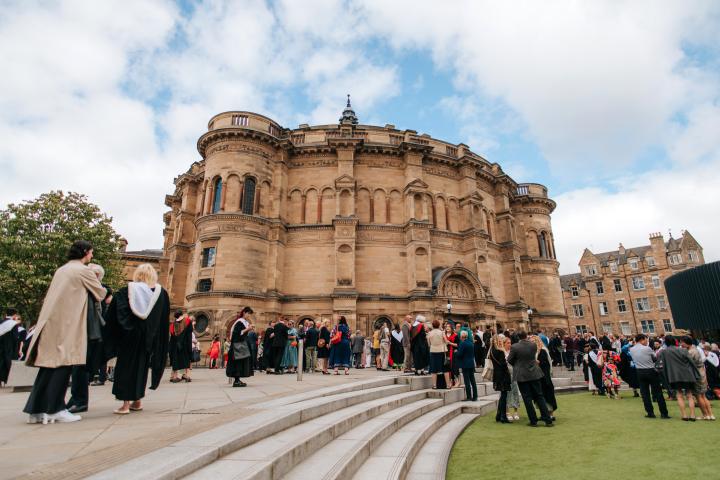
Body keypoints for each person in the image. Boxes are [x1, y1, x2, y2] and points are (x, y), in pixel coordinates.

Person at [23, 240, 107, 424]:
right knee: (63, 365)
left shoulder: (62, 270)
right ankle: (55, 409)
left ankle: (36, 410)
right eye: (91, 252)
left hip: (51, 322)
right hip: (68, 323)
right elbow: (100, 293)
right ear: (85, 252)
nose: (91, 256)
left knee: (47, 367)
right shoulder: (83, 270)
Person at [104, 263, 170, 415]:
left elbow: (116, 314)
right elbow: (162, 320)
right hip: (148, 339)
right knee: (141, 368)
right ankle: (137, 400)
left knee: (126, 368)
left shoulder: (127, 290)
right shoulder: (161, 294)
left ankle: (125, 404)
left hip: (130, 338)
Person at [66, 263, 107, 413]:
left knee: (81, 368)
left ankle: (80, 401)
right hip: (87, 333)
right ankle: (76, 400)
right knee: (79, 369)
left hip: (91, 334)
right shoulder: (92, 290)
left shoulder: (98, 291)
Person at [507, 331, 553, 427]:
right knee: (539, 396)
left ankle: (533, 421)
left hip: (522, 375)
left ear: (518, 337)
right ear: (526, 336)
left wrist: (518, 365)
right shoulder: (533, 345)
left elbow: (510, 360)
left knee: (527, 398)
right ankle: (548, 420)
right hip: (534, 373)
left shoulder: (515, 347)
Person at [658, 335, 701, 421]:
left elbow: (663, 366)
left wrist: (666, 377)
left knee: (679, 395)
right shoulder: (683, 350)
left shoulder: (663, 352)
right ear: (675, 341)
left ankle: (684, 415)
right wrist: (697, 374)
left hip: (674, 376)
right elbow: (691, 362)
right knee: (689, 395)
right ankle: (692, 415)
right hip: (687, 375)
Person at [630, 334, 669, 419]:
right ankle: (664, 413)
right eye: (646, 340)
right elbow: (655, 358)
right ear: (642, 339)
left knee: (645, 393)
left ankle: (650, 412)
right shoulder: (647, 348)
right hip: (650, 370)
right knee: (658, 392)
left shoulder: (632, 349)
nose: (647, 341)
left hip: (639, 371)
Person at [680, 336, 715, 420]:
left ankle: (706, 415)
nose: (681, 344)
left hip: (697, 374)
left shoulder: (691, 351)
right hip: (701, 372)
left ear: (686, 342)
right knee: (703, 395)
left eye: (682, 342)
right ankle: (710, 415)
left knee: (699, 396)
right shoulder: (696, 349)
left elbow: (685, 363)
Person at [226, 307, 254, 387]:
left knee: (240, 363)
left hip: (241, 345)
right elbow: (237, 333)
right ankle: (236, 381)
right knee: (238, 363)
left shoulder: (243, 322)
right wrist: (248, 329)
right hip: (238, 346)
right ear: (244, 313)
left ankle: (238, 380)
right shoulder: (239, 322)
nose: (249, 316)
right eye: (248, 314)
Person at [532, 335, 557, 416]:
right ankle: (543, 414)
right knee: (540, 396)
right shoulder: (534, 351)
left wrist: (538, 363)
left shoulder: (542, 350)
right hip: (537, 377)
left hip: (544, 377)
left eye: (533, 342)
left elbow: (546, 364)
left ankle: (551, 414)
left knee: (547, 396)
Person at [490, 334, 511, 423]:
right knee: (504, 396)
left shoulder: (491, 351)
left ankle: (499, 415)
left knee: (502, 395)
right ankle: (503, 416)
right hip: (503, 375)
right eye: (499, 340)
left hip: (497, 374)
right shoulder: (500, 351)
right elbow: (503, 365)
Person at [169, 310, 193, 382]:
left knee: (176, 360)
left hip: (175, 346)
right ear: (182, 314)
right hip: (185, 345)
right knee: (186, 360)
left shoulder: (172, 325)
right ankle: (187, 376)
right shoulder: (188, 321)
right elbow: (189, 336)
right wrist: (189, 347)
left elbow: (172, 339)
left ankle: (175, 377)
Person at [0, 308, 22, 387]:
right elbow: (15, 338)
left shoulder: (1, 322)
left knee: (1, 363)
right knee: (9, 364)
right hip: (10, 348)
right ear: (14, 314)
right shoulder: (13, 324)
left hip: (1, 347)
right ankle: (8, 381)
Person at [426, 320, 451, 389]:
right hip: (441, 351)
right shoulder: (442, 333)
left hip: (433, 351)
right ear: (439, 325)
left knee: (434, 369)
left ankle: (434, 385)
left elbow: (429, 344)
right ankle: (448, 385)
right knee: (445, 368)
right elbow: (446, 341)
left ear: (432, 326)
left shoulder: (429, 334)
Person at [454, 330, 477, 401]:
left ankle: (469, 396)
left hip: (465, 364)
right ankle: (475, 396)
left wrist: (456, 352)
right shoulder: (471, 343)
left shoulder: (462, 343)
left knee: (467, 381)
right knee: (473, 381)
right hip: (471, 363)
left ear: (461, 336)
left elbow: (460, 354)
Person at [444, 322, 460, 388]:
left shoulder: (455, 335)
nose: (447, 328)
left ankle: (457, 382)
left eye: (448, 327)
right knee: (447, 368)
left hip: (453, 353)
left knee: (454, 367)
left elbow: (457, 345)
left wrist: (450, 343)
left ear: (451, 328)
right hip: (445, 353)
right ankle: (450, 382)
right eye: (446, 327)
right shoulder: (444, 335)